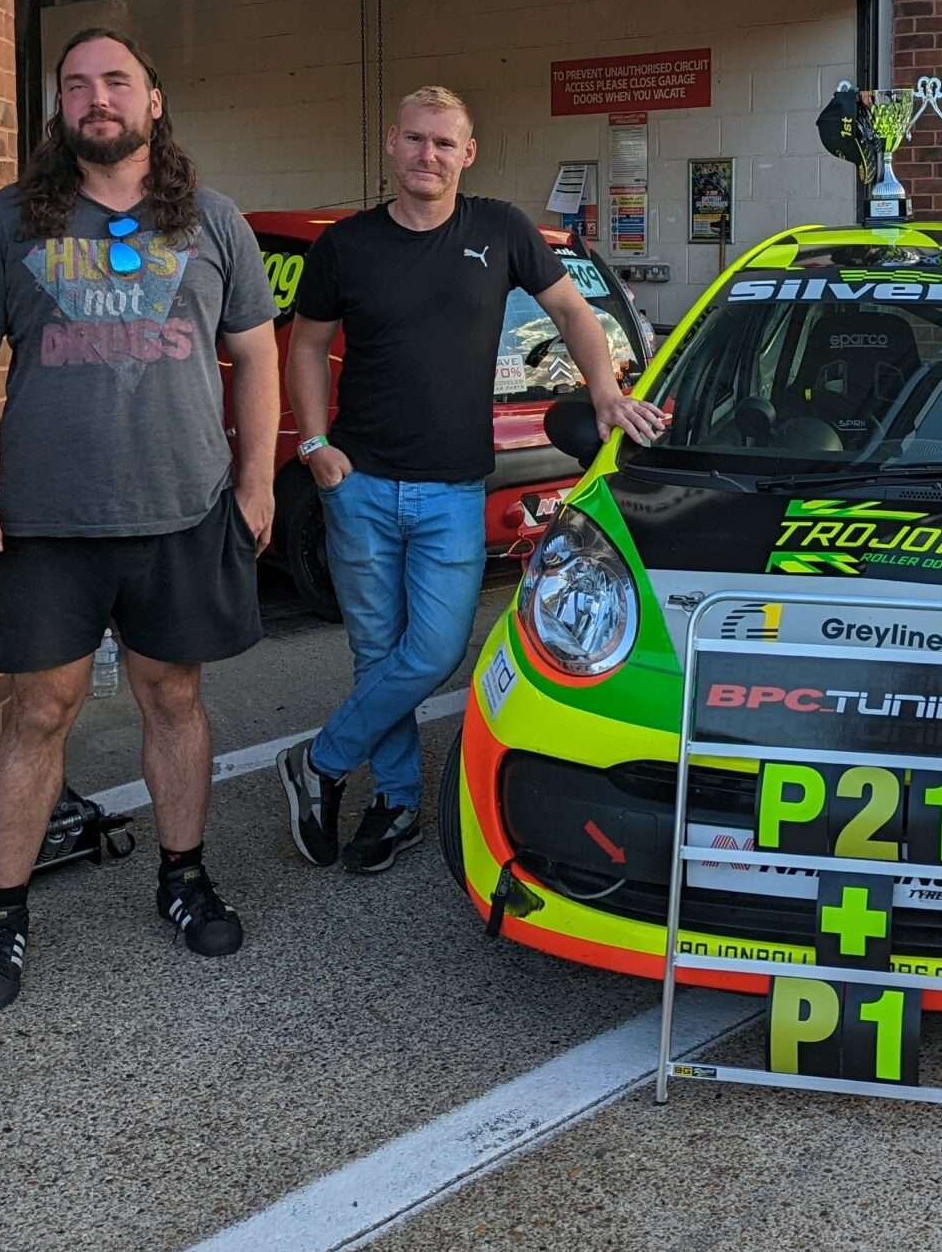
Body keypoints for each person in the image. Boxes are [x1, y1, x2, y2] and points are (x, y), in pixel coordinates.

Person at [0, 27, 281, 1015]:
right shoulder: (9, 221)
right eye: (76, 83)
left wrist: (257, 483)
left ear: (153, 99)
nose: (96, 96)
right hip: (46, 520)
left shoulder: (214, 222)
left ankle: (183, 874)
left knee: (173, 697)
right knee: (39, 710)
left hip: (182, 510)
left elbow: (255, 357)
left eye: (116, 79)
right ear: (60, 105)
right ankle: (1, 912)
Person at [276, 87, 665, 873]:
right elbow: (307, 345)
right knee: (376, 652)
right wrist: (315, 444)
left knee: (436, 649)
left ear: (468, 152)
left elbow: (573, 313)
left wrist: (606, 393)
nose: (429, 156)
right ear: (392, 144)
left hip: (454, 489)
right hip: (359, 485)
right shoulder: (348, 246)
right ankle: (396, 806)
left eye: (444, 144)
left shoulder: (500, 229)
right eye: (415, 140)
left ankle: (318, 761)